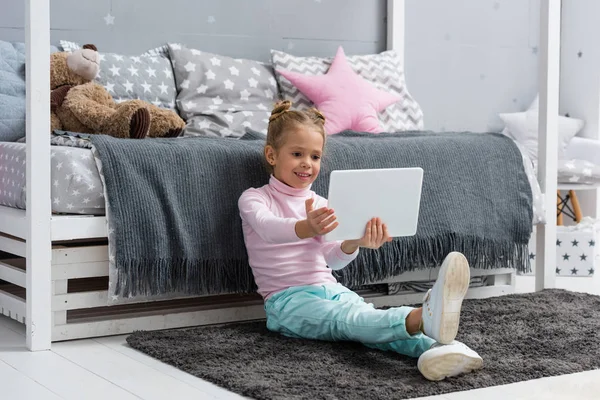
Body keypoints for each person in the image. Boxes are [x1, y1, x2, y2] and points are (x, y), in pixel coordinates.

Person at [238, 100, 483, 381]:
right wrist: (306, 227)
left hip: (331, 289)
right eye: (297, 153)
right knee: (349, 322)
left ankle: (440, 349)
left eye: (315, 157)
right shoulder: (255, 198)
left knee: (368, 323)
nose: (307, 163)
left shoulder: (321, 203)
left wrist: (354, 242)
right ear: (271, 155)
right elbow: (269, 229)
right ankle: (423, 316)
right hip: (286, 302)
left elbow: (332, 258)